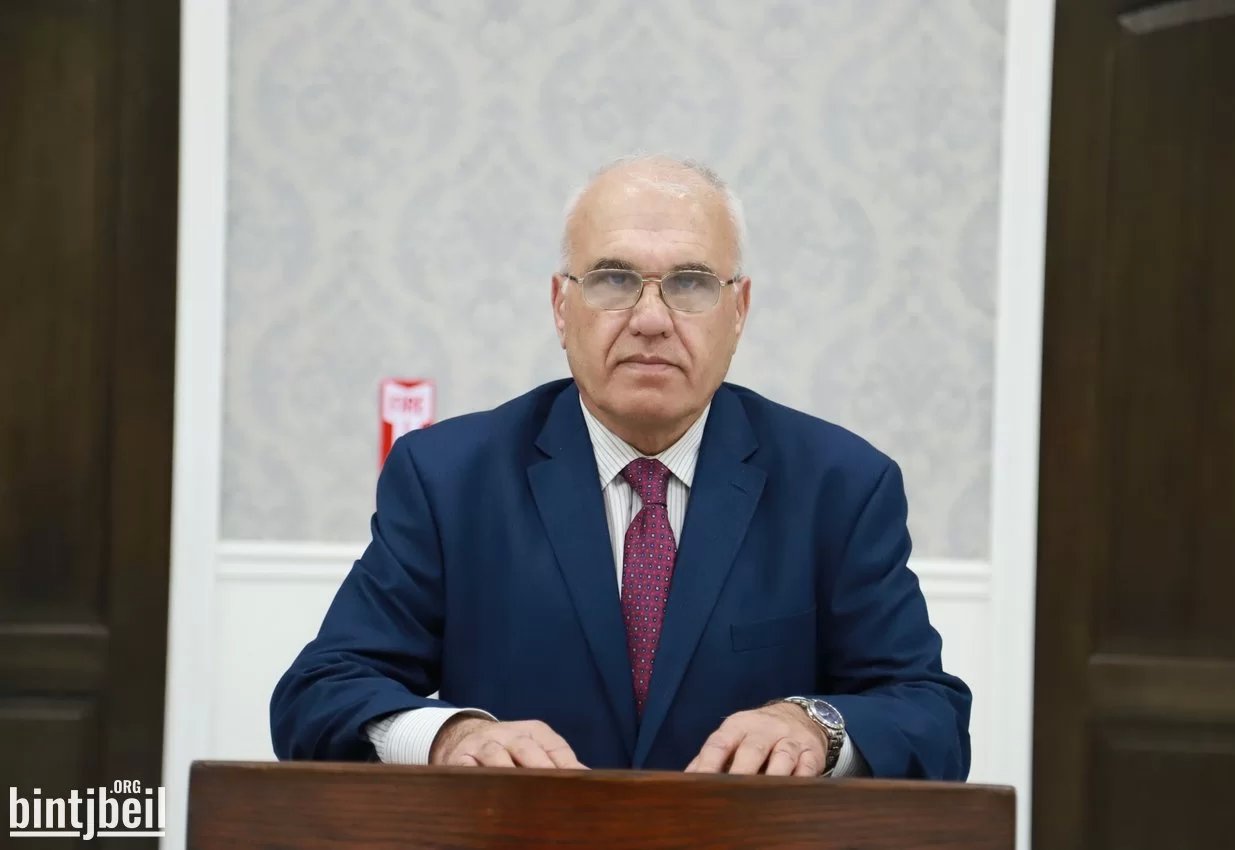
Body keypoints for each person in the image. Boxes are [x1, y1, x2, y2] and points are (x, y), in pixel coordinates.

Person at [270, 155, 971, 779]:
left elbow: (929, 714)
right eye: (613, 279)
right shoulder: (448, 479)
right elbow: (320, 692)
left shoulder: (840, 486)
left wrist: (815, 727)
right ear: (560, 306)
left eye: (691, 283)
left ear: (739, 310)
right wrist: (451, 737)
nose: (651, 318)